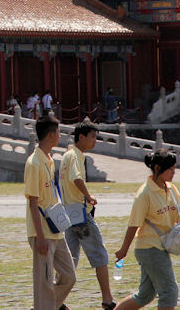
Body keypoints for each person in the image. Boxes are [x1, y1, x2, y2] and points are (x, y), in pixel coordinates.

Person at [114, 149, 180, 310]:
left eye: (174, 168)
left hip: (161, 247)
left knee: (145, 295)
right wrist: (123, 249)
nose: (173, 172)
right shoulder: (144, 194)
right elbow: (134, 224)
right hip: (150, 248)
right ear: (158, 168)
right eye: (170, 169)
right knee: (169, 291)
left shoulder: (171, 189)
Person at [60, 123, 115, 309]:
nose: (95, 140)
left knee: (69, 259)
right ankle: (107, 299)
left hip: (68, 213)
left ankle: (57, 299)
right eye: (92, 136)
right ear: (81, 137)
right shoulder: (75, 155)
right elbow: (76, 178)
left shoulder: (68, 155)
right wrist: (88, 196)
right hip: (80, 215)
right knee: (99, 254)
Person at [24, 114, 75, 309]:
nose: (60, 136)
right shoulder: (34, 163)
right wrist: (40, 237)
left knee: (69, 276)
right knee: (44, 282)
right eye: (59, 132)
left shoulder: (49, 160)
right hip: (42, 232)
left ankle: (46, 306)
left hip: (56, 227)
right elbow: (32, 202)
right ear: (52, 135)